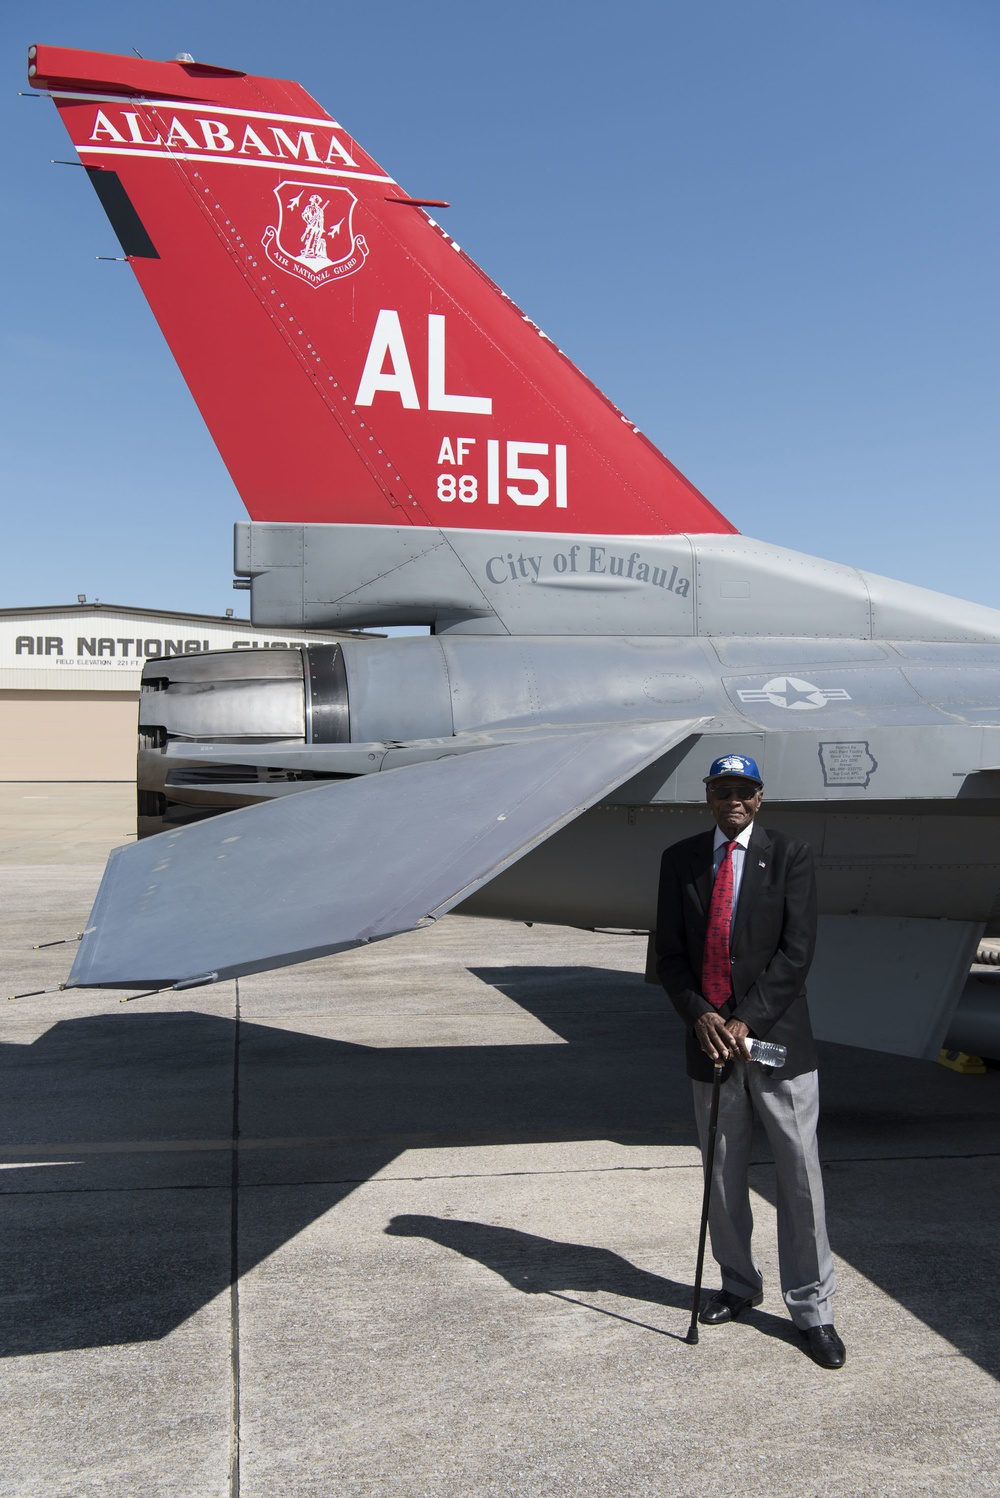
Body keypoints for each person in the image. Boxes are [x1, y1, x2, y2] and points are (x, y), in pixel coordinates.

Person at [654, 753, 845, 1369]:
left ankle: (813, 1309)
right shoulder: (679, 859)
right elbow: (670, 955)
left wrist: (746, 1020)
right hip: (710, 1045)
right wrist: (702, 1015)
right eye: (721, 789)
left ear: (760, 796)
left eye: (744, 789)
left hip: (775, 1042)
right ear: (708, 795)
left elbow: (797, 952)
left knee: (798, 1178)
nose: (733, 799)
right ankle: (738, 1284)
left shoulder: (790, 855)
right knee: (724, 1173)